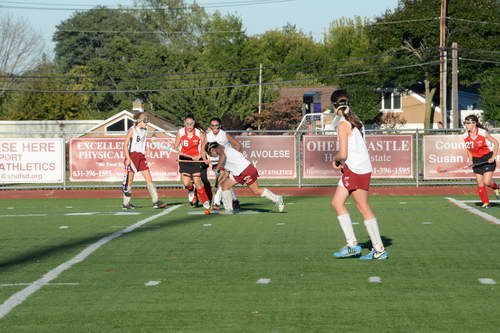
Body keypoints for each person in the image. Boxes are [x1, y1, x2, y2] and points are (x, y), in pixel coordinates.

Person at [330, 89, 388, 260]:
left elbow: (343, 154)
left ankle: (378, 249)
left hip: (356, 169)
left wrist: (335, 160)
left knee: (363, 208)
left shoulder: (342, 124)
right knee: (337, 202)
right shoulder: (354, 120)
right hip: (357, 168)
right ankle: (353, 245)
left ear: (335, 106)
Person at [205, 142, 284, 214]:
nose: (211, 156)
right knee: (225, 186)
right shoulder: (221, 156)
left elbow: (222, 156)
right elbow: (225, 174)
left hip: (246, 170)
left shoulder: (220, 149)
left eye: (210, 153)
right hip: (238, 173)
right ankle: (229, 210)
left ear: (212, 149)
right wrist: (216, 185)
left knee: (256, 191)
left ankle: (277, 199)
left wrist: (217, 168)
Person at [122, 112, 167, 210]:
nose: (147, 123)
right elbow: (125, 145)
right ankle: (126, 203)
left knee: (149, 178)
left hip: (141, 156)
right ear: (139, 121)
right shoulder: (132, 130)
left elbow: (142, 142)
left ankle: (156, 201)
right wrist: (128, 158)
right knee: (129, 181)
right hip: (132, 156)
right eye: (145, 121)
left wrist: (146, 148)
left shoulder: (145, 130)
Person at [201, 117, 242, 210]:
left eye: (216, 125)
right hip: (215, 163)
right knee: (224, 182)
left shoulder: (225, 135)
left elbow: (238, 145)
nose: (214, 128)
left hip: (226, 162)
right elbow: (202, 149)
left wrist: (234, 157)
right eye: (212, 126)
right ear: (210, 127)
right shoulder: (208, 136)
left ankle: (217, 203)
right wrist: (205, 159)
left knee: (221, 181)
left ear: (220, 126)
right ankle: (235, 200)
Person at [173, 115, 211, 209]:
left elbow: (205, 146)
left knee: (197, 180)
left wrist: (199, 156)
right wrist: (178, 151)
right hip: (184, 159)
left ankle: (205, 201)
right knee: (186, 183)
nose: (189, 125)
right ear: (184, 124)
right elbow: (176, 147)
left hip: (196, 160)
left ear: (194, 123)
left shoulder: (199, 133)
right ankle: (191, 189)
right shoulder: (180, 132)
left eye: (191, 123)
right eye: (187, 123)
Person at [463, 114, 499, 208]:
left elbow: (495, 143)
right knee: (480, 182)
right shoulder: (465, 135)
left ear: (474, 124)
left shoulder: (482, 132)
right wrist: (471, 160)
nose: (466, 125)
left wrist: (493, 157)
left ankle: (496, 188)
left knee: (487, 182)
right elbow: (469, 149)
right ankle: (486, 203)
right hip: (476, 160)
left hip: (487, 158)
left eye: (467, 123)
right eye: (465, 123)